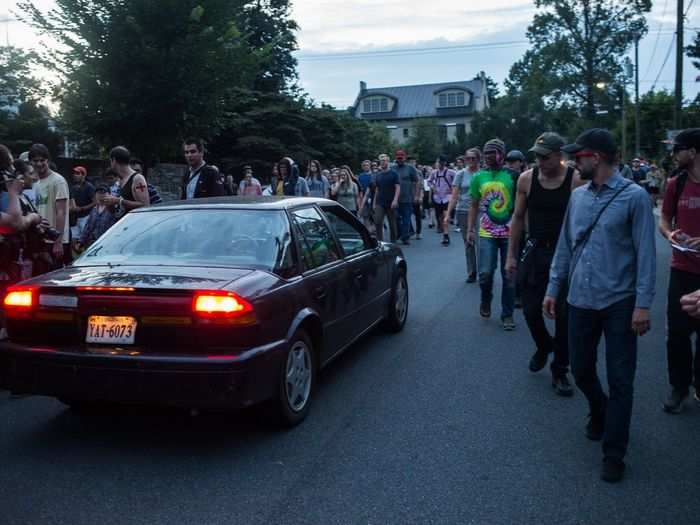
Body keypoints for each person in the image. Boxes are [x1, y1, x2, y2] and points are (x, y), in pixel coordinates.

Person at [544, 128, 656, 483]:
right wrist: (553, 287)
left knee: (622, 379)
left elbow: (647, 255)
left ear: (598, 157)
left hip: (620, 301)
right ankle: (599, 408)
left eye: (578, 157)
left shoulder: (634, 197)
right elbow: (566, 245)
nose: (573, 163)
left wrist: (643, 304)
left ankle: (614, 451)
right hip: (579, 298)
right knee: (580, 370)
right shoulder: (577, 198)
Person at [505, 132, 583, 397]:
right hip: (535, 252)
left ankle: (560, 370)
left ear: (560, 156)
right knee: (529, 310)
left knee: (563, 316)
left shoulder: (575, 180)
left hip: (566, 255)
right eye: (536, 156)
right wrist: (511, 255)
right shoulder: (527, 179)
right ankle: (543, 345)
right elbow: (517, 218)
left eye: (545, 157)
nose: (538, 161)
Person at [657, 128, 700, 413]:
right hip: (681, 268)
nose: (673, 155)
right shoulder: (676, 183)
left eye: (678, 149)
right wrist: (669, 234)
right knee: (677, 333)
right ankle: (679, 387)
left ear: (693, 152)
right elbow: (664, 217)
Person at [467, 139, 516, 330]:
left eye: (492, 152)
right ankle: (486, 299)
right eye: (485, 153)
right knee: (485, 273)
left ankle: (507, 314)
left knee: (509, 275)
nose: (488, 156)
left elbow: (520, 206)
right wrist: (470, 229)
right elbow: (473, 204)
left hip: (509, 233)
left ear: (501, 154)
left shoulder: (513, 176)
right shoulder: (479, 177)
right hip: (486, 232)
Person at [30, 143, 71, 268]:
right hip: (39, 239)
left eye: (42, 160)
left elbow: (61, 212)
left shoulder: (58, 181)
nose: (39, 164)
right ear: (31, 162)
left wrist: (58, 242)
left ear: (48, 160)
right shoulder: (33, 182)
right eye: (35, 161)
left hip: (54, 240)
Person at [444, 148, 480, 282]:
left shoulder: (484, 173)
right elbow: (454, 196)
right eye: (468, 158)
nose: (470, 161)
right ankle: (472, 272)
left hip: (481, 211)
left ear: (478, 159)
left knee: (481, 242)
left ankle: (483, 270)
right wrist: (448, 214)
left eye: (473, 158)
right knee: (468, 242)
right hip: (463, 210)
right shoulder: (460, 174)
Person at [101, 146, 150, 216]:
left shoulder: (137, 179)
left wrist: (118, 201)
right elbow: (118, 211)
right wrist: (109, 203)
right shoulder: (120, 180)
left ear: (114, 160)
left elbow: (145, 205)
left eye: (110, 161)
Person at [76, 184, 117, 251]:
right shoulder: (94, 210)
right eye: (98, 192)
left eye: (103, 192)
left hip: (107, 243)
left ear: (109, 194)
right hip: (92, 244)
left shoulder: (113, 209)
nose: (100, 195)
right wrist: (80, 242)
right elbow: (88, 227)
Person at [393, 150, 420, 245]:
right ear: (396, 158)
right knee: (396, 218)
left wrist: (417, 195)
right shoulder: (392, 169)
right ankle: (402, 233)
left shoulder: (410, 168)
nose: (400, 159)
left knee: (406, 218)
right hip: (395, 198)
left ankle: (405, 237)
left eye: (401, 158)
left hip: (407, 198)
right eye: (398, 158)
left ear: (404, 158)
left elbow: (417, 182)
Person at [428, 155, 455, 246]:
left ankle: (446, 235)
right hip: (437, 197)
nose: (438, 164)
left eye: (439, 162)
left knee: (445, 216)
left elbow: (457, 182)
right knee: (439, 216)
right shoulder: (434, 173)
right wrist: (433, 187)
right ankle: (441, 227)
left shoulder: (451, 172)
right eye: (437, 162)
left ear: (444, 163)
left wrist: (453, 189)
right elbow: (429, 181)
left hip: (447, 197)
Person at [373, 153, 400, 243]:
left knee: (392, 223)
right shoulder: (378, 175)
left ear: (388, 161)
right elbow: (377, 189)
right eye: (381, 161)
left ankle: (393, 241)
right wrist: (374, 202)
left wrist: (395, 200)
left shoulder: (394, 174)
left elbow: (397, 187)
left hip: (391, 202)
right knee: (377, 221)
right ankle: (380, 242)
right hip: (380, 202)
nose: (383, 162)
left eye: (384, 160)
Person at [69, 166, 96, 252]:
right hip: (75, 218)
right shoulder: (73, 187)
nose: (75, 175)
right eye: (74, 173)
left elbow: (95, 202)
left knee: (87, 241)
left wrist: (82, 208)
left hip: (86, 217)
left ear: (83, 175)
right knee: (73, 243)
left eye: (78, 173)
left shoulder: (89, 187)